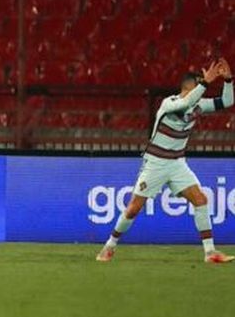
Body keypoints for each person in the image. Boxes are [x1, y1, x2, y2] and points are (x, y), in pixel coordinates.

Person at [96, 58, 234, 263]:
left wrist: (229, 80)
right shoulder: (170, 103)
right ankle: (109, 246)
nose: (203, 91)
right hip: (156, 163)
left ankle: (210, 252)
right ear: (190, 87)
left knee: (200, 200)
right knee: (134, 207)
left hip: (177, 163)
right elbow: (186, 103)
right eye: (200, 85)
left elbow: (227, 101)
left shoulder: (199, 105)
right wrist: (206, 82)